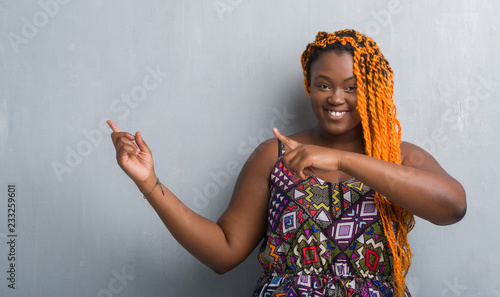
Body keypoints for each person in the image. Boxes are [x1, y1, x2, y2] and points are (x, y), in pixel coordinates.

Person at [107, 29, 466, 297]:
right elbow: (223, 253)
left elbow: (452, 207)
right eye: (323, 85)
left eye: (352, 86)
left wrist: (343, 159)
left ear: (374, 90)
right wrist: (148, 182)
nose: (336, 98)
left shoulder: (399, 156)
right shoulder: (274, 155)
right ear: (309, 87)